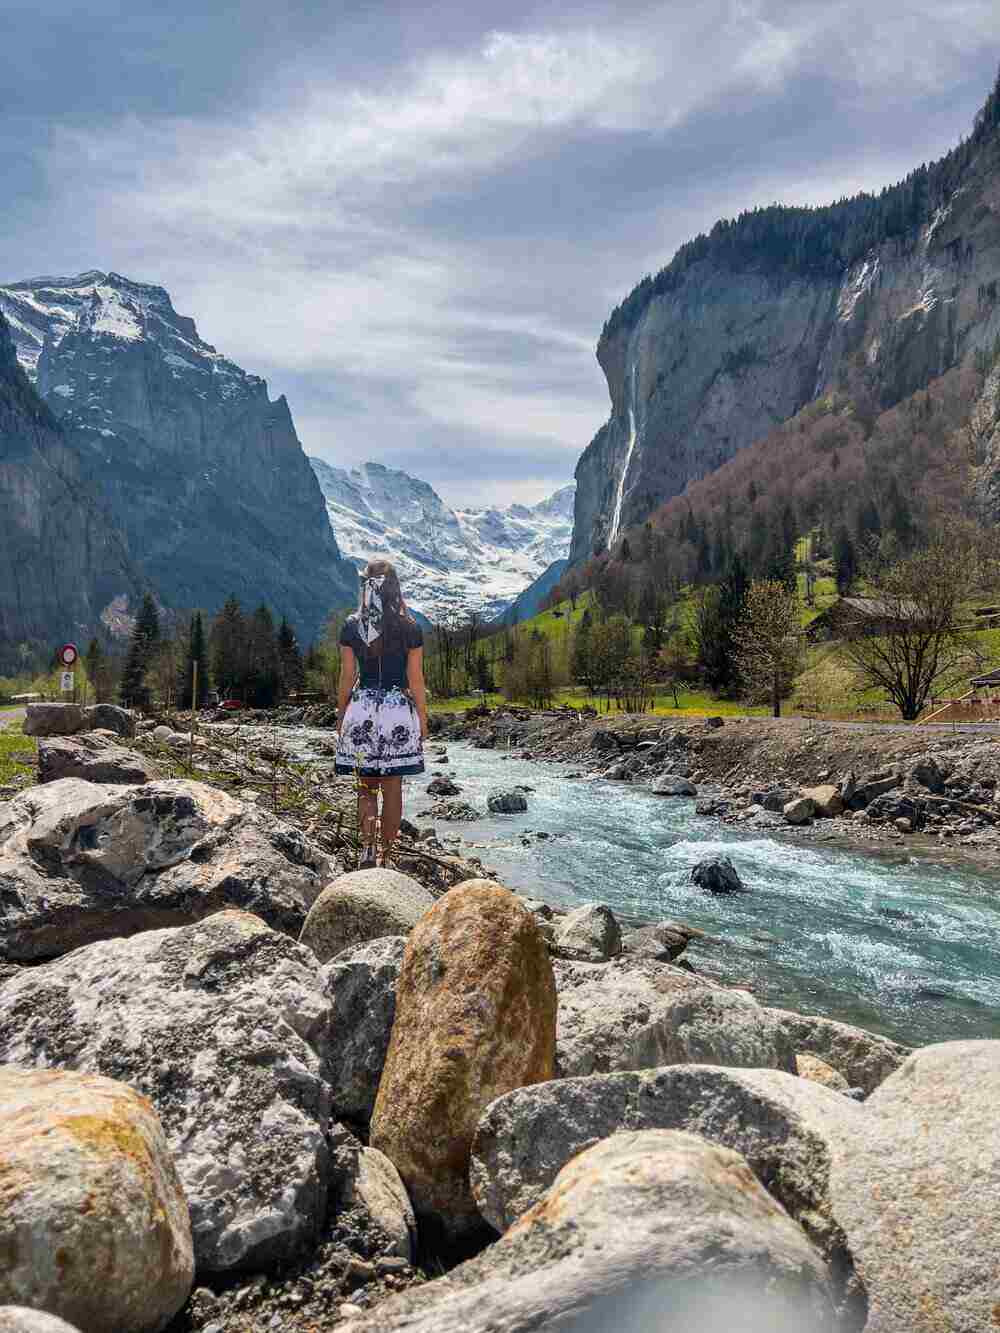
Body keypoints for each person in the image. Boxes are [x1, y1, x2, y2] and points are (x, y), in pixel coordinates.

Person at [334, 559, 428, 868]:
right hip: (397, 711)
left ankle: (367, 850)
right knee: (393, 789)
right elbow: (415, 681)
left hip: (360, 709)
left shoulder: (351, 626)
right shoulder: (410, 628)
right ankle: (387, 857)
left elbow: (347, 676)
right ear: (395, 587)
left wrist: (341, 713)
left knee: (365, 787)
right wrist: (423, 720)